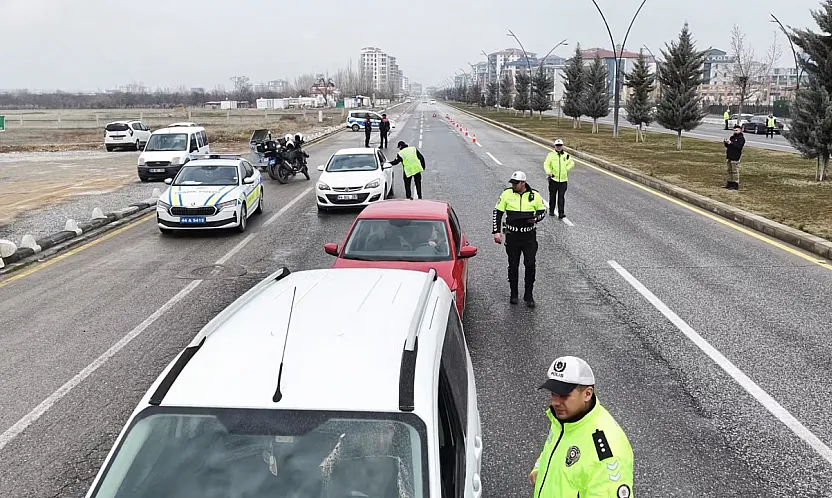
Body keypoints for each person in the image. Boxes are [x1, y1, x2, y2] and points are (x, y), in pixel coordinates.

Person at [529, 356, 634, 498]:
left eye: (564, 395)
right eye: (553, 393)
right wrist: (540, 469)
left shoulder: (607, 452)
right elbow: (554, 447)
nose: (555, 402)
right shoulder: (565, 420)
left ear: (587, 394)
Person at [492, 171, 546, 307]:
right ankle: (514, 294)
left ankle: (529, 295)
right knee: (513, 265)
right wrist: (496, 231)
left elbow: (542, 211)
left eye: (516, 183)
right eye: (512, 183)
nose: (513, 185)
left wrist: (536, 219)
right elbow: (497, 212)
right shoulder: (506, 194)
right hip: (512, 235)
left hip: (528, 236)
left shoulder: (534, 195)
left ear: (523, 183)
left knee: (530, 264)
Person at [543, 139, 575, 219]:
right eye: (557, 145)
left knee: (561, 196)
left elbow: (572, 163)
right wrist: (549, 172)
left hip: (563, 180)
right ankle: (551, 210)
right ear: (555, 146)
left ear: (562, 146)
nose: (559, 147)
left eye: (560, 145)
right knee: (552, 196)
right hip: (554, 179)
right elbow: (546, 164)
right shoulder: (551, 155)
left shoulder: (566, 155)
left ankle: (561, 213)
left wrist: (566, 168)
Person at [723, 125, 745, 190]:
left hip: (735, 156)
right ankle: (729, 183)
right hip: (729, 155)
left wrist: (732, 143)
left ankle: (735, 184)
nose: (735, 131)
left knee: (734, 171)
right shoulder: (732, 137)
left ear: (740, 130)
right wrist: (726, 143)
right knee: (729, 170)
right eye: (734, 130)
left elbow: (739, 147)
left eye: (736, 130)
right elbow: (729, 146)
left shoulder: (741, 138)